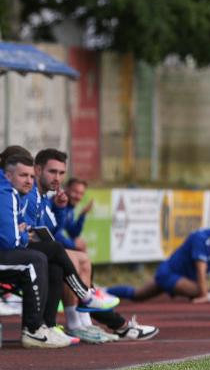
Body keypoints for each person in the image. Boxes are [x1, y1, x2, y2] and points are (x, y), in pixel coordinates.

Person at [29, 148, 157, 342]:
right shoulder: (30, 195)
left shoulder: (46, 198)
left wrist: (65, 211)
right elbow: (49, 235)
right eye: (52, 172)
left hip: (39, 251)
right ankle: (83, 318)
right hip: (23, 254)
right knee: (67, 258)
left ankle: (85, 322)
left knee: (80, 258)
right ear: (38, 170)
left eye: (61, 173)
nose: (57, 178)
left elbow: (52, 231)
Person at [0, 155, 71, 348]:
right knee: (37, 259)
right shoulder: (8, 193)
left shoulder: (21, 194)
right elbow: (11, 241)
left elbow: (51, 230)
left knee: (51, 260)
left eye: (31, 176)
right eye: (23, 175)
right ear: (8, 175)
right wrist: (23, 235)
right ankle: (34, 329)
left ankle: (47, 325)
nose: (29, 181)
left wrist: (60, 210)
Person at [107, 215, 210, 304]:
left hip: (183, 279)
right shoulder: (201, 238)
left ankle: (105, 291)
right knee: (199, 289)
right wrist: (203, 295)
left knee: (137, 295)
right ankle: (103, 292)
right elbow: (201, 269)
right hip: (168, 274)